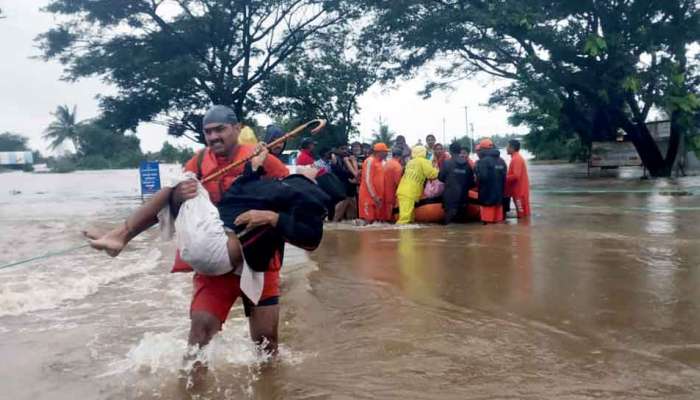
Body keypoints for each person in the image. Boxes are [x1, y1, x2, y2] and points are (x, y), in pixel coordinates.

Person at [168, 106, 292, 354]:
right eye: (208, 132)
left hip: (259, 259)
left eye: (220, 129)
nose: (213, 137)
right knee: (198, 338)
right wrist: (176, 197)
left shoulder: (266, 160)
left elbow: (293, 203)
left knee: (267, 345)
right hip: (216, 259)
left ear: (237, 129)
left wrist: (269, 215)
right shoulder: (199, 162)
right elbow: (171, 210)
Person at [396, 145, 439, 224]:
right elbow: (431, 174)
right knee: (404, 219)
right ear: (423, 153)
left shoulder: (410, 162)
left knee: (410, 218)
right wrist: (438, 170)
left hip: (403, 191)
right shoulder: (424, 161)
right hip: (410, 192)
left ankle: (409, 235)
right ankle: (401, 235)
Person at [438, 143, 475, 224]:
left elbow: (440, 178)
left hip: (449, 199)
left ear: (450, 151)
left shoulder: (447, 163)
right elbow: (472, 183)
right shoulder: (467, 164)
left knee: (450, 226)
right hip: (463, 199)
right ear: (459, 151)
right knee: (462, 227)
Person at [475, 138, 507, 224]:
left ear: (483, 149)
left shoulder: (483, 161)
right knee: (498, 224)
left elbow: (482, 178)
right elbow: (504, 178)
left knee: (488, 225)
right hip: (499, 198)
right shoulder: (501, 161)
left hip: (487, 198)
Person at [358, 143, 389, 223]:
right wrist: (374, 196)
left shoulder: (380, 162)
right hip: (368, 197)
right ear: (379, 152)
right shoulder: (370, 161)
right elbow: (368, 180)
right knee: (368, 222)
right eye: (385, 152)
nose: (387, 153)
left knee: (375, 224)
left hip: (377, 198)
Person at [505, 139, 531, 218]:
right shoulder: (515, 158)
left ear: (512, 148)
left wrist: (503, 178)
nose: (506, 148)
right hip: (518, 191)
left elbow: (516, 176)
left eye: (507, 146)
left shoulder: (516, 159)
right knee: (523, 214)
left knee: (522, 215)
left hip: (519, 192)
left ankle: (523, 230)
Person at [383, 146, 404, 221]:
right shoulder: (397, 167)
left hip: (383, 194)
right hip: (391, 196)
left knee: (384, 220)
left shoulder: (387, 163)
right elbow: (399, 183)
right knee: (391, 221)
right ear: (400, 156)